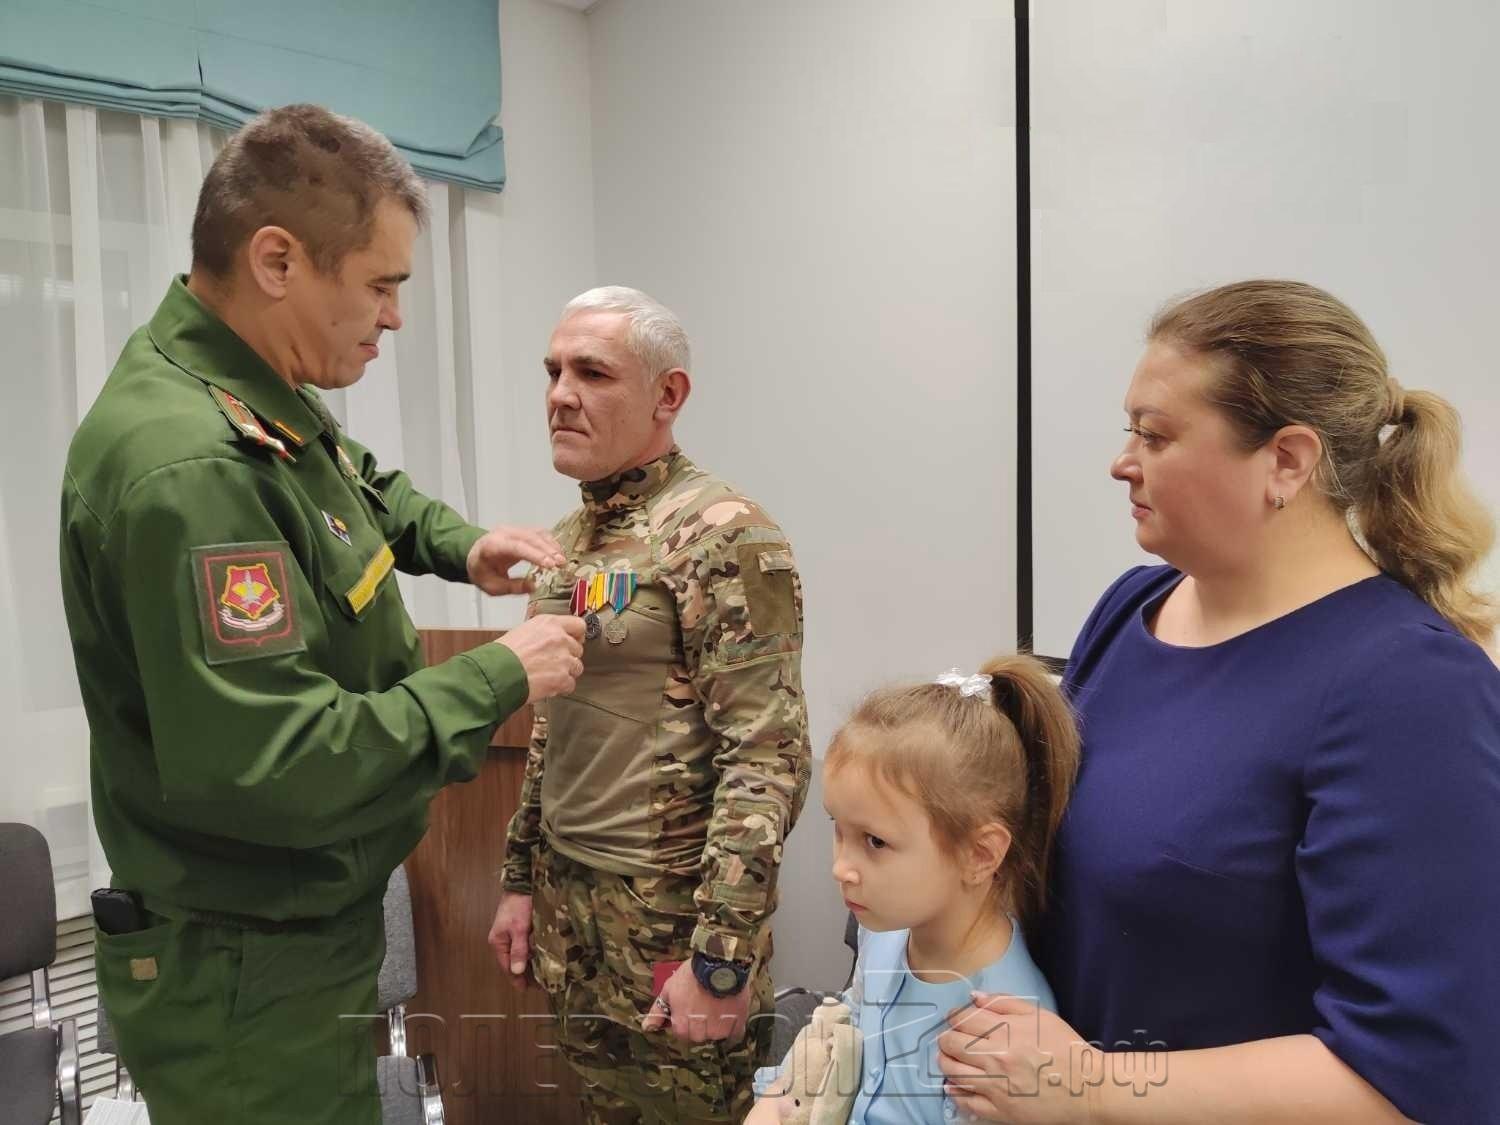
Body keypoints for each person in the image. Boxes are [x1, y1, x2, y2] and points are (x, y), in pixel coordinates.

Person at [58, 104, 586, 1125]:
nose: (394, 317)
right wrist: (501, 673)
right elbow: (283, 760)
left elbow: (352, 481)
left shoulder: (244, 385)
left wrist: (460, 544)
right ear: (277, 261)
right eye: (382, 285)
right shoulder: (192, 467)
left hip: (287, 942)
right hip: (248, 971)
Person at [936, 280, 1500, 1125]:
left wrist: (1093, 1086)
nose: (1122, 461)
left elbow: (1420, 1081)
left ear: (1287, 461)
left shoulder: (1412, 690)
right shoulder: (1131, 608)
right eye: (1129, 429)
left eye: (1156, 435)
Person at [486, 286, 811, 1123]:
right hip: (574, 913)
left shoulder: (723, 533)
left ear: (668, 394)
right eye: (554, 371)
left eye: (592, 373)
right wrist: (520, 880)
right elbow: (553, 727)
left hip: (670, 925)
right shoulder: (568, 544)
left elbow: (766, 756)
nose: (561, 394)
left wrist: (721, 958)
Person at [746, 655, 1079, 1125]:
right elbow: (847, 1031)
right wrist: (778, 1099)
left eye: (875, 842)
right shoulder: (882, 932)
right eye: (838, 829)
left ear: (979, 855)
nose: (841, 868)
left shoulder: (1004, 1030)